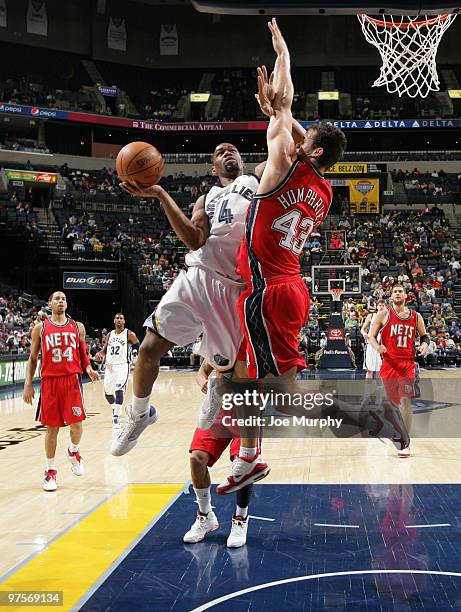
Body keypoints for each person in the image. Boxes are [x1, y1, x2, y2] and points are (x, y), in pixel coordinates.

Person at [217, 19, 346, 494]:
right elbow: (302, 132)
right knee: (250, 372)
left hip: (266, 291)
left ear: (307, 148)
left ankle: (368, 416)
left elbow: (289, 104)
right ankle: (249, 455)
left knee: (273, 394)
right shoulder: (324, 189)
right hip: (293, 287)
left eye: (303, 136)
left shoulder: (280, 166)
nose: (296, 134)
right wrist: (281, 113)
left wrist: (282, 53)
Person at [111, 143, 269, 484]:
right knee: (149, 348)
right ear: (213, 167)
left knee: (230, 374)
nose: (228, 152)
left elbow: (285, 156)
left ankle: (221, 398)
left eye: (233, 150)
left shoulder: (256, 181)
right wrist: (160, 194)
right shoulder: (205, 199)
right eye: (220, 151)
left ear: (242, 160)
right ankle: (140, 413)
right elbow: (195, 240)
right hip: (198, 276)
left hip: (234, 288)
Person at [23, 291, 99, 491]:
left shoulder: (77, 327)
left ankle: (73, 451)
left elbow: (83, 354)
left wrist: (89, 368)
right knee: (52, 429)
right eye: (56, 299)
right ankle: (50, 472)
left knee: (77, 425)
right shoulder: (40, 328)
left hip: (71, 380)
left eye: (63, 299)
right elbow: (32, 358)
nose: (61, 301)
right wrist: (28, 383)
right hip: (50, 382)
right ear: (49, 304)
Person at [184, 361, 253, 548]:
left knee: (244, 463)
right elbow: (202, 372)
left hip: (246, 408)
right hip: (219, 407)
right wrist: (203, 383)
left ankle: (241, 518)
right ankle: (205, 516)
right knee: (197, 457)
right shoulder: (220, 343)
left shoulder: (254, 342)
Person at [369, 285, 429, 458]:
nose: (397, 293)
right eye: (395, 291)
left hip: (407, 364)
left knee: (405, 402)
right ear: (391, 296)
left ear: (406, 296)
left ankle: (404, 440)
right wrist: (377, 346)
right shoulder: (384, 314)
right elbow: (372, 336)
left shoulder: (416, 316)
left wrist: (424, 345)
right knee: (390, 404)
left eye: (400, 291)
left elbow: (424, 336)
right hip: (389, 363)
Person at [95, 313, 139, 436]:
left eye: (121, 318)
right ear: (114, 320)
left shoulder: (129, 333)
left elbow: (137, 345)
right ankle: (116, 408)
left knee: (119, 390)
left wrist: (135, 355)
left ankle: (117, 419)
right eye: (117, 318)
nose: (119, 320)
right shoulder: (110, 334)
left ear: (124, 321)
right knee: (108, 394)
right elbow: (105, 350)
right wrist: (100, 354)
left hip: (123, 365)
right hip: (110, 366)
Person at [361, 299, 387, 378]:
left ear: (386, 307)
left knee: (380, 371)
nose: (381, 307)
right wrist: (364, 333)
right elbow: (363, 329)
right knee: (369, 370)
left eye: (383, 305)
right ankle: (368, 390)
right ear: (376, 306)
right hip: (371, 345)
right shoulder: (371, 316)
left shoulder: (388, 318)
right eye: (380, 305)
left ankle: (380, 390)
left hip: (382, 346)